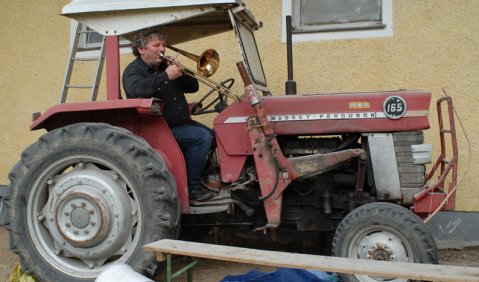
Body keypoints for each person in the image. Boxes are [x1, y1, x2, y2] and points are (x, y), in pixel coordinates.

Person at [122, 30, 215, 202]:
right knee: (202, 138)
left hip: (181, 124)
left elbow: (193, 87)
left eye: (163, 45)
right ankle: (192, 189)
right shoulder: (133, 70)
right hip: (159, 129)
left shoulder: (165, 67)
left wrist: (181, 70)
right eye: (156, 45)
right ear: (141, 49)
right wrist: (166, 76)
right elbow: (136, 89)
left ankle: (204, 179)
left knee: (215, 136)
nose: (162, 49)